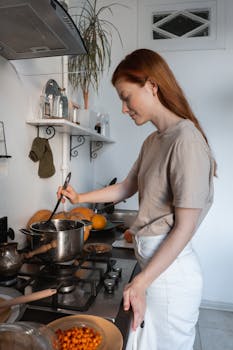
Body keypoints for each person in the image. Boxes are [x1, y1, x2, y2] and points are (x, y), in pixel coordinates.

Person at [58, 49, 216, 350]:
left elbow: (185, 227)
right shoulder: (154, 140)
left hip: (170, 276)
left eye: (126, 96)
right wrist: (79, 196)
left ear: (152, 86)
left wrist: (140, 283)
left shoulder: (186, 140)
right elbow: (127, 186)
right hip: (153, 268)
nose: (123, 108)